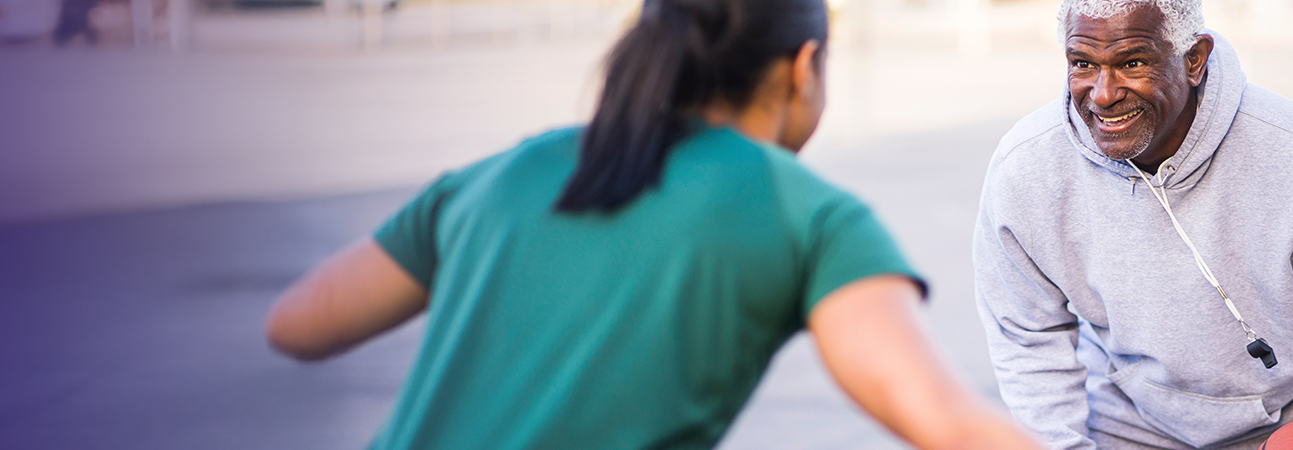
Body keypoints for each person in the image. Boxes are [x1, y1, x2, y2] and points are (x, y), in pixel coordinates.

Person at [263, 0, 1044, 448]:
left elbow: (295, 325)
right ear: (802, 70)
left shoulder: (506, 172)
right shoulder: (805, 212)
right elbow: (941, 421)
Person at [971, 0, 1293, 448]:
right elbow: (1029, 340)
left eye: (1132, 62)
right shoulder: (1026, 170)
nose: (1102, 94)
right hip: (1135, 422)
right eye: (1083, 64)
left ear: (1194, 59)